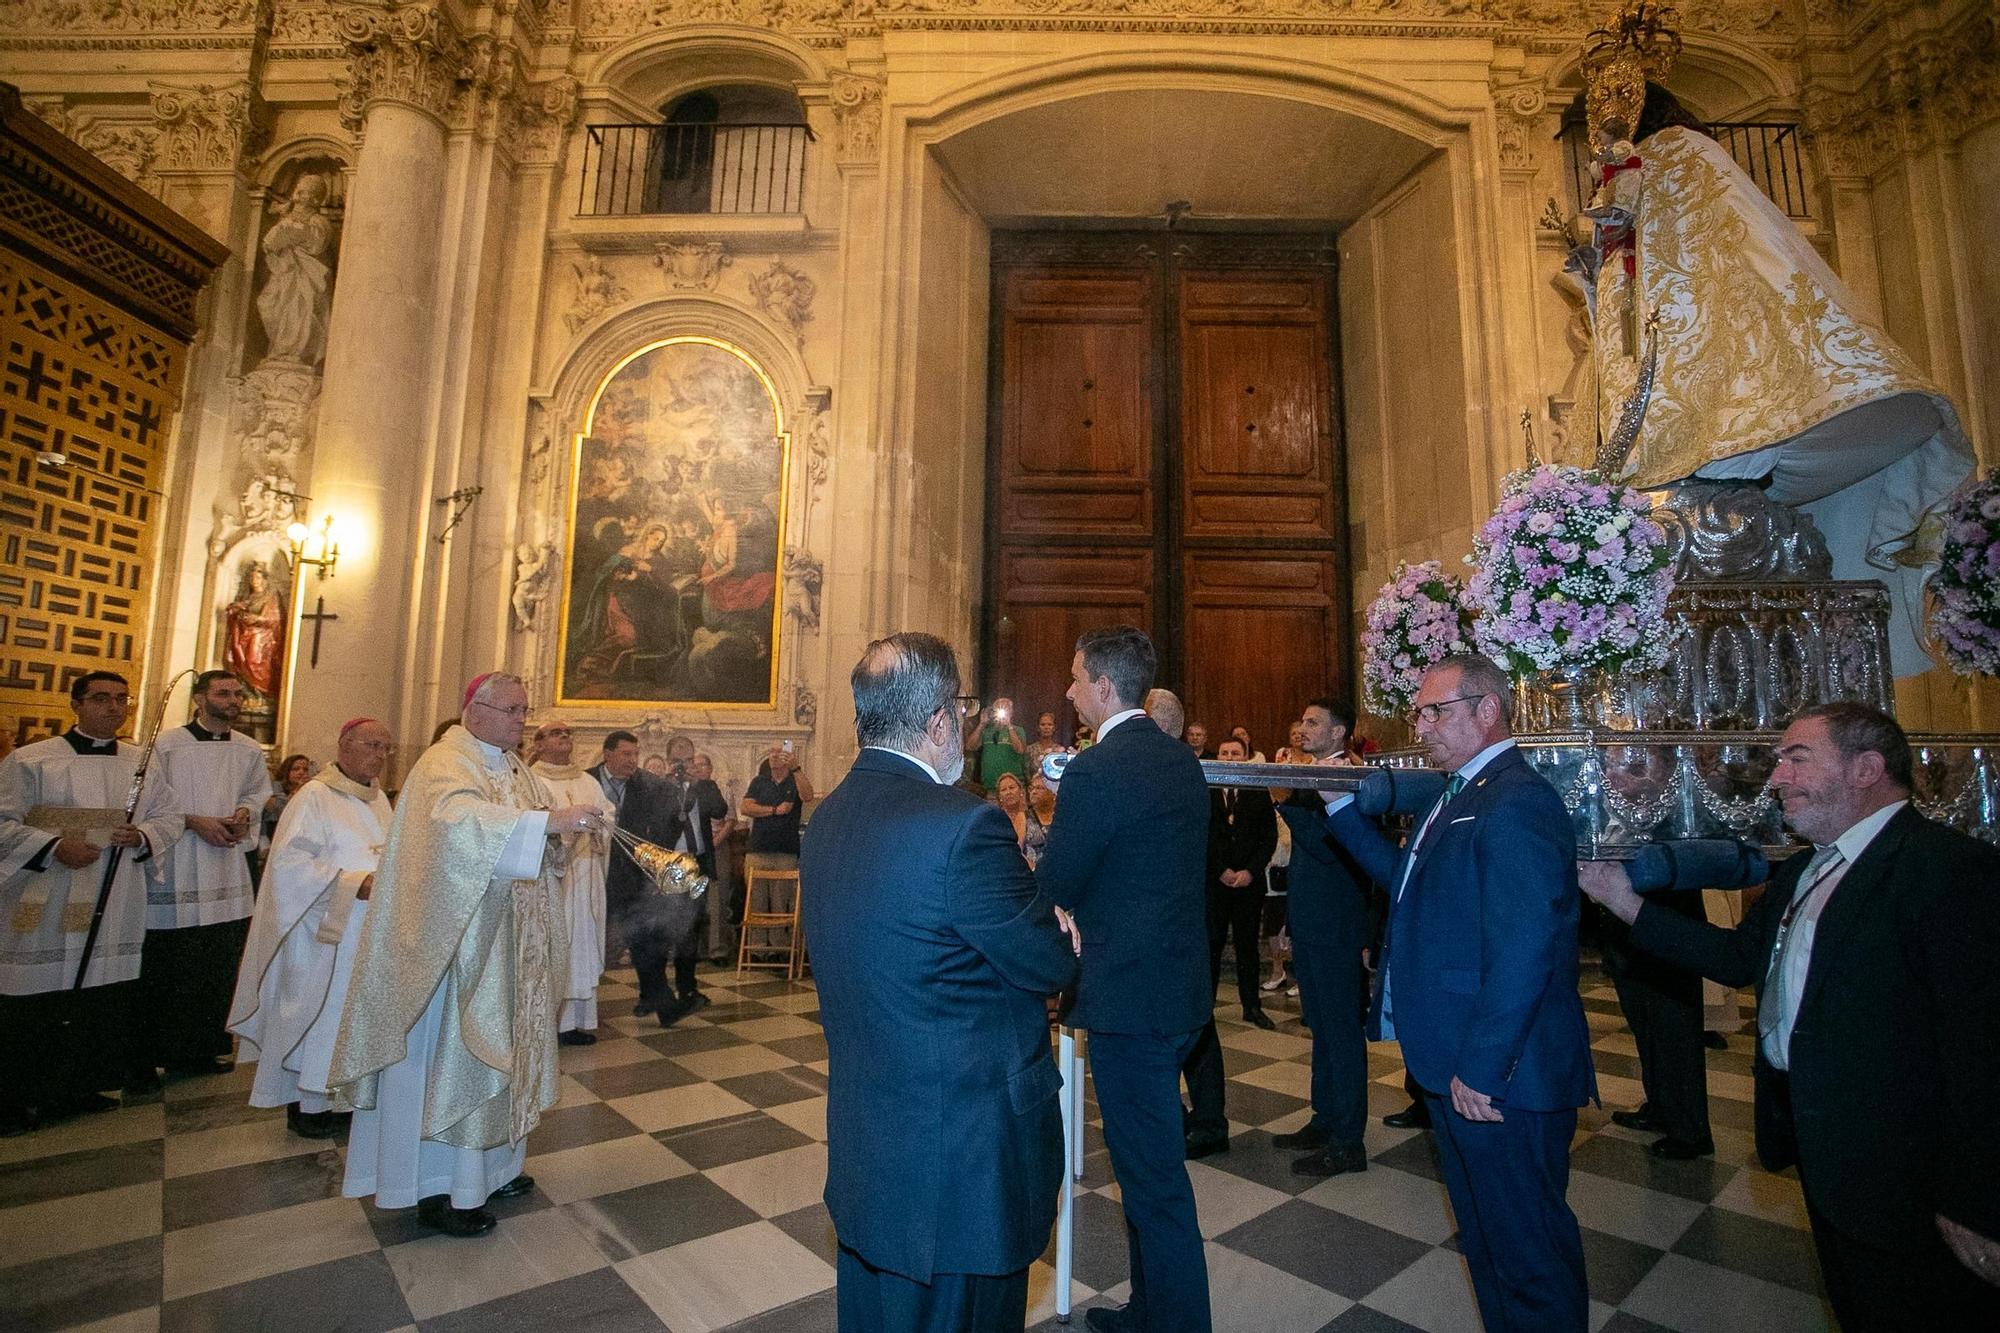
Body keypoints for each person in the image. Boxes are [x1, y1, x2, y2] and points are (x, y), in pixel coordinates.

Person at [1579, 703, 2000, 1330]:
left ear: (1866, 768)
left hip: (1906, 1166)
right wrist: (1623, 900)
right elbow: (1734, 959)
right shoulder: (1804, 868)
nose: (1777, 777)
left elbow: (1982, 1051)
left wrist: (1974, 1202)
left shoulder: (1946, 870)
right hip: (1826, 1147)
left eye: (1797, 758)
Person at [804, 632, 1080, 1332]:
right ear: (935, 723)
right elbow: (1046, 960)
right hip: (962, 1167)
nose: (964, 720)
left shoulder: (828, 815)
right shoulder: (965, 826)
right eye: (960, 707)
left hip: (873, 1147)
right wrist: (1057, 927)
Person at [1321, 654, 1594, 1332]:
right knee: (1487, 1241)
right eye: (1418, 711)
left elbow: (1527, 948)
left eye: (1434, 711)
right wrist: (1340, 809)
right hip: (1457, 1062)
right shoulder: (1459, 792)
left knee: (1528, 1251)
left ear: (1487, 710)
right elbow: (1408, 882)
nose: (1422, 725)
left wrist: (1482, 1065)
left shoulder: (1516, 801)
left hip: (1504, 1074)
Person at [329, 672, 605, 1238]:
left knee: (511, 1052)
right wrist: (548, 822)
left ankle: (496, 1168)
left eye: (524, 710)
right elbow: (456, 826)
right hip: (457, 951)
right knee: (456, 1062)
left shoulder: (512, 767)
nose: (520, 721)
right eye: (510, 710)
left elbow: (535, 843)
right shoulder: (444, 764)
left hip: (513, 945)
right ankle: (437, 1189)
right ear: (472, 708)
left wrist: (560, 836)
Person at [1038, 626, 1212, 1333]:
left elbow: (1059, 878)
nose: (1070, 689)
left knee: (1154, 1182)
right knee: (1148, 1173)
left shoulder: (1096, 768)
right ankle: (1150, 1310)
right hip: (1180, 993)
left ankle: (1178, 1324)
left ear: (1105, 686)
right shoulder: (1181, 760)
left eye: (1077, 677)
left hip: (1129, 1003)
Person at [0, 672, 181, 1135]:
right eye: (101, 698)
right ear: (75, 704)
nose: (114, 708)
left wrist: (141, 834)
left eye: (122, 699)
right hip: (46, 891)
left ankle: (84, 1085)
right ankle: (18, 1096)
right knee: (36, 992)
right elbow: (2, 822)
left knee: (101, 989)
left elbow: (169, 816)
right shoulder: (32, 760)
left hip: (114, 891)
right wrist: (52, 846)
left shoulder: (142, 763)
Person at [227, 718, 393, 1138]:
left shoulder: (378, 801)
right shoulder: (314, 797)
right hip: (323, 933)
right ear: (343, 744)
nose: (380, 755)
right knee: (317, 1016)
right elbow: (289, 865)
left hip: (366, 932)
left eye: (386, 749)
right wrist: (355, 882)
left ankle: (343, 1098)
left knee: (351, 1018)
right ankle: (308, 1106)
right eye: (372, 744)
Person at [135, 670, 272, 1084]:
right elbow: (148, 799)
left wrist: (244, 815)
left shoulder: (248, 749)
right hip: (176, 864)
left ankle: (202, 1047)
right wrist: (195, 822)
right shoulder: (166, 745)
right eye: (223, 693)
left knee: (217, 960)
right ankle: (152, 1052)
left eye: (237, 695)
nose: (233, 700)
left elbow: (257, 792)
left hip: (225, 867)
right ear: (199, 699)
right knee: (169, 960)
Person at [1267, 699, 1379, 1173]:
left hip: (1337, 926)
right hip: (1312, 921)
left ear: (1339, 734)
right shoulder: (1313, 776)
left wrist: (1284, 800)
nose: (1302, 727)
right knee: (1321, 1028)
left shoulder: (1349, 780)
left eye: (1313, 722)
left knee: (1341, 1031)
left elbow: (1327, 847)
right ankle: (1325, 1116)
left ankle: (1349, 1139)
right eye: (1302, 719)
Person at [589, 731, 694, 1026]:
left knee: (642, 937)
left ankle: (662, 1002)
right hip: (591, 870)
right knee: (591, 938)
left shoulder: (645, 786)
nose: (632, 761)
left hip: (630, 875)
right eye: (625, 754)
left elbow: (665, 825)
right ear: (607, 754)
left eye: (635, 755)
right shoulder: (587, 782)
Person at [530, 721, 616, 1046]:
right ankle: (543, 1023)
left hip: (586, 875)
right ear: (538, 744)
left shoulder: (587, 781)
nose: (565, 737)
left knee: (581, 943)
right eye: (556, 733)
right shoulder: (532, 781)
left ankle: (572, 1023)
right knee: (553, 942)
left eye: (568, 733)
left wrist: (598, 828)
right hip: (554, 877)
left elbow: (607, 815)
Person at [658, 736, 728, 1010]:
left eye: (687, 760)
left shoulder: (705, 786)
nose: (682, 765)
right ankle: (658, 990)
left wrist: (698, 784)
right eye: (677, 760)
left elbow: (720, 810)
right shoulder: (659, 788)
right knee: (664, 929)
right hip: (669, 864)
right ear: (668, 761)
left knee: (691, 929)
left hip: (697, 863)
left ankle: (688, 989)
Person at [741, 742, 813, 962]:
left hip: (785, 851)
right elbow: (746, 807)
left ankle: (781, 950)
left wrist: (797, 769)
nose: (774, 756)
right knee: (757, 902)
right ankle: (758, 950)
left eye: (779, 752)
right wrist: (773, 810)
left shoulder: (794, 781)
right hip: (758, 850)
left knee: (782, 902)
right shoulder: (759, 782)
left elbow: (808, 796)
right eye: (771, 752)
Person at [991, 771, 1047, 867]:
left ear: (1021, 792)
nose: (1008, 792)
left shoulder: (1032, 814)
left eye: (1012, 788)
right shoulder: (994, 820)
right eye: (1004, 790)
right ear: (999, 796)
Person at [975, 697, 1028, 790]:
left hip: (1012, 788)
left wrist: (1009, 726)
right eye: (998, 709)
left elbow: (1020, 750)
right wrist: (981, 724)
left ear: (1011, 713)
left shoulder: (1018, 730)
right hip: (989, 787)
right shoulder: (986, 731)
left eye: (1005, 709)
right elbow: (970, 746)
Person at [1025, 710, 1065, 774]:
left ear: (1054, 728)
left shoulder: (1059, 750)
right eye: (1043, 724)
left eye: (1050, 724)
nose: (1046, 727)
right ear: (1038, 727)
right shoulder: (1030, 750)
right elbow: (1026, 773)